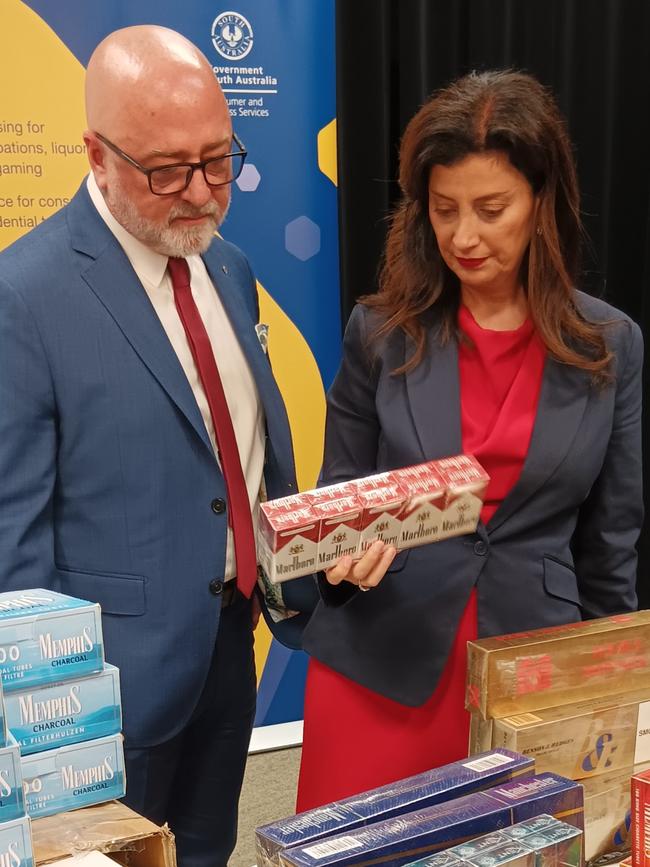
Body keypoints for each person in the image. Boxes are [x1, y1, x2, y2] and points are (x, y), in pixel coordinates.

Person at [0, 25, 316, 867]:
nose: (204, 193)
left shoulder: (232, 267)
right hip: (103, 695)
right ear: (96, 155)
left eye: (219, 160)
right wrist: (46, 724)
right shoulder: (23, 297)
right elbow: (14, 542)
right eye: (168, 170)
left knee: (205, 851)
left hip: (228, 647)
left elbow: (241, 459)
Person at [297, 69, 643, 811]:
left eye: (492, 209)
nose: (464, 235)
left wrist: (619, 686)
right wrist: (339, 562)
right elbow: (337, 500)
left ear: (542, 203)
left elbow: (611, 543)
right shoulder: (381, 334)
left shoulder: (611, 345)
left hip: (532, 676)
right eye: (444, 208)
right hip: (380, 667)